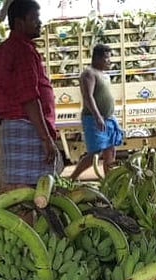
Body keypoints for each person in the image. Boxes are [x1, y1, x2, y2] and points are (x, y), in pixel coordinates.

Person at [0, 0, 62, 190]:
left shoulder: (2, 50)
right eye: (34, 19)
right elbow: (29, 97)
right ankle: (27, 221)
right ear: (19, 23)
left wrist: (7, 100)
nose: (39, 23)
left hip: (11, 126)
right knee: (27, 191)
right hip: (27, 127)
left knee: (16, 189)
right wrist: (45, 139)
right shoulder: (23, 51)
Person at [69, 43, 124, 180]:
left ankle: (109, 181)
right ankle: (72, 178)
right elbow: (88, 96)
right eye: (106, 58)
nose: (109, 61)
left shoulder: (105, 75)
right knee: (95, 153)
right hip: (93, 119)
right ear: (97, 58)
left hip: (109, 118)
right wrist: (97, 116)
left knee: (110, 150)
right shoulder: (89, 74)